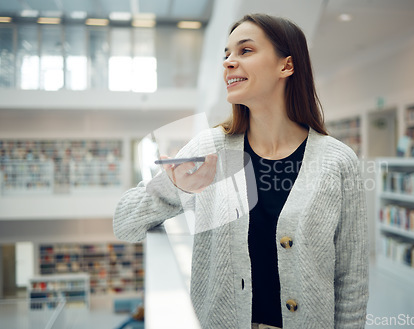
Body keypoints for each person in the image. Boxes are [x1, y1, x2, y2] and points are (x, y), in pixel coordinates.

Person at [114, 13, 368, 329]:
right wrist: (175, 187)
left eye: (245, 51)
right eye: (227, 54)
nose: (229, 62)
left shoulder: (338, 161)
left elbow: (352, 276)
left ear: (286, 66)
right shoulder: (210, 149)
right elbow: (125, 223)